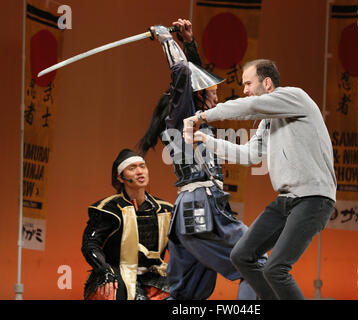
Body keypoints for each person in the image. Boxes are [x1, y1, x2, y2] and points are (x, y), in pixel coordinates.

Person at [184, 59, 337, 300]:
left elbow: (250, 106)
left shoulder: (295, 97)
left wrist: (202, 116)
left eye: (247, 83)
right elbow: (249, 155)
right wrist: (207, 141)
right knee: (241, 255)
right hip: (286, 200)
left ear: (267, 83)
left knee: (276, 269)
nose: (244, 90)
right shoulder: (268, 120)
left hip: (313, 198)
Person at [137, 19, 265, 300]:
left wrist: (189, 42)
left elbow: (193, 77)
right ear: (198, 97)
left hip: (189, 214)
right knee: (254, 265)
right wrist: (167, 41)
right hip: (202, 207)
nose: (217, 96)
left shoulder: (194, 119)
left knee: (185, 295)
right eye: (212, 91)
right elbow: (183, 72)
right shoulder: (183, 118)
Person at [81, 149, 173, 300]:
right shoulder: (108, 209)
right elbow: (90, 244)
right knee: (107, 292)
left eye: (142, 166)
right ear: (120, 177)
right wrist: (104, 271)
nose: (139, 171)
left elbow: (180, 248)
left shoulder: (165, 210)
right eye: (132, 168)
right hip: (116, 275)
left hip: (154, 276)